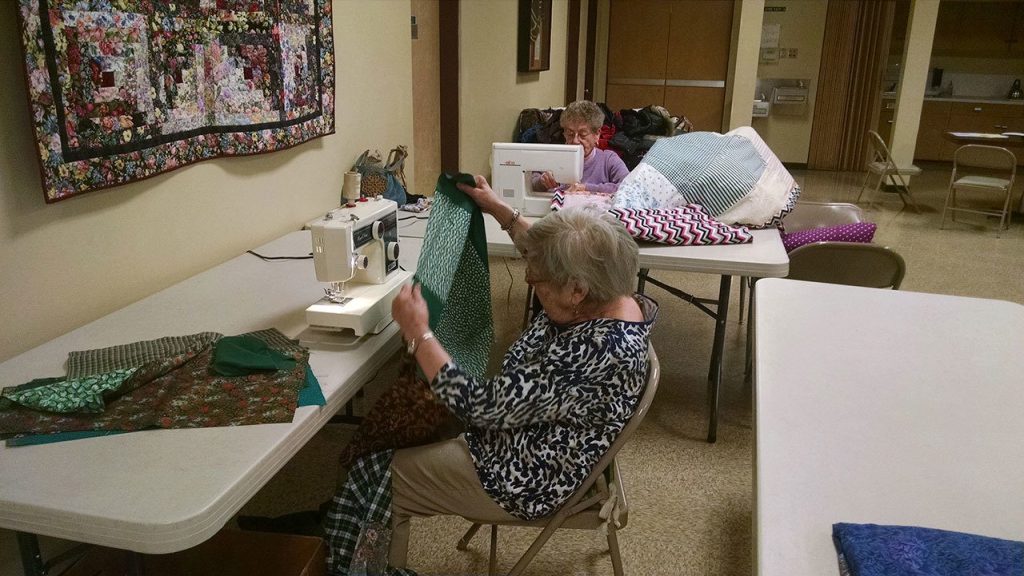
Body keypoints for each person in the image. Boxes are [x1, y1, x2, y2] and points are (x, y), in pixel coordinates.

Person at [323, 175, 658, 575]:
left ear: (576, 291)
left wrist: (419, 334)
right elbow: (555, 253)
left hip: (520, 475)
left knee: (373, 473)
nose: (530, 280)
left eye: (536, 281)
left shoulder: (599, 351)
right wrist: (498, 208)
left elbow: (480, 406)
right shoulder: (609, 292)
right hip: (525, 438)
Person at [536, 100, 630, 195]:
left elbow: (629, 187)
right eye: (570, 134)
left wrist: (587, 188)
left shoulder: (608, 160)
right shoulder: (554, 156)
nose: (575, 141)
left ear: (597, 134)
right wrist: (542, 182)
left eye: (583, 134)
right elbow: (530, 180)